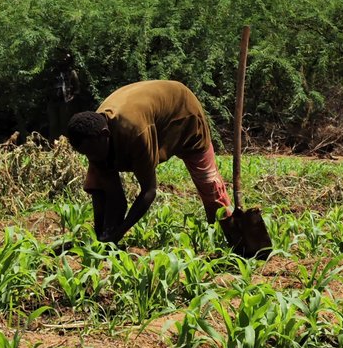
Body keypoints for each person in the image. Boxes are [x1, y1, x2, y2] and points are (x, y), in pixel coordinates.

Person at [65, 80, 232, 243]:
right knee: (99, 175)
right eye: (85, 154)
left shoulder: (135, 132)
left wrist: (120, 232)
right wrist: (101, 234)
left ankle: (227, 233)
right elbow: (111, 196)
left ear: (105, 135)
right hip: (149, 113)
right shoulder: (92, 136)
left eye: (92, 152)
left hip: (183, 110)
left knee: (208, 183)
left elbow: (149, 190)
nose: (91, 158)